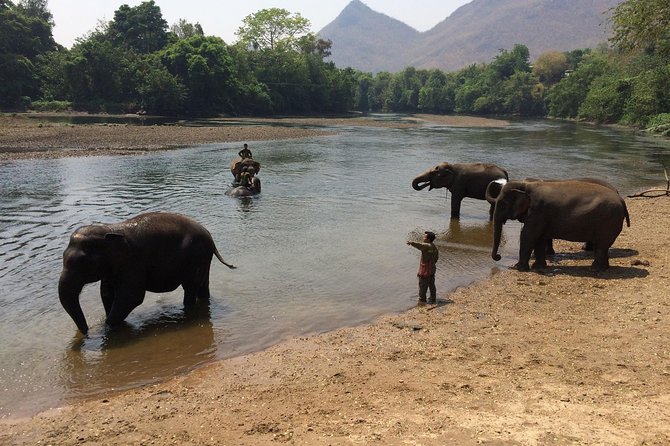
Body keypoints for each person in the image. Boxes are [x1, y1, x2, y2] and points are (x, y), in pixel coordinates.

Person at [406, 231, 439, 304]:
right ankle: (433, 298)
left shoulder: (427, 246)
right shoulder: (434, 247)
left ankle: (422, 300)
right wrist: (432, 264)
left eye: (424, 237)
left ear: (428, 239)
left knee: (422, 285)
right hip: (432, 269)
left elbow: (419, 245)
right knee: (431, 284)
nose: (423, 238)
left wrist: (411, 243)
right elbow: (436, 258)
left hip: (425, 270)